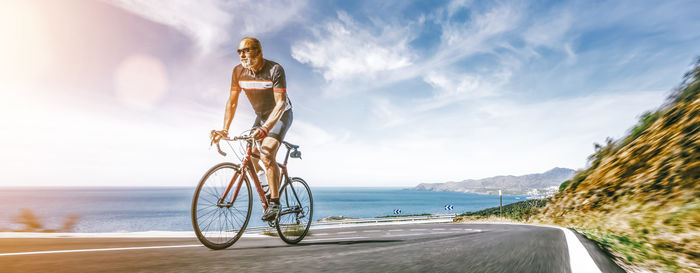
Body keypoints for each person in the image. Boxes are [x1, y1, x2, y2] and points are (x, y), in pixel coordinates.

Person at [211, 37, 293, 221]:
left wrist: (265, 129)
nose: (242, 54)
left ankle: (275, 202)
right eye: (239, 51)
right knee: (252, 157)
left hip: (281, 114)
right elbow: (232, 102)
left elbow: (280, 104)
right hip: (262, 116)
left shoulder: (275, 69)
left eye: (246, 50)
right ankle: (267, 186)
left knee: (266, 153)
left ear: (258, 51)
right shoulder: (238, 72)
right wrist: (224, 129)